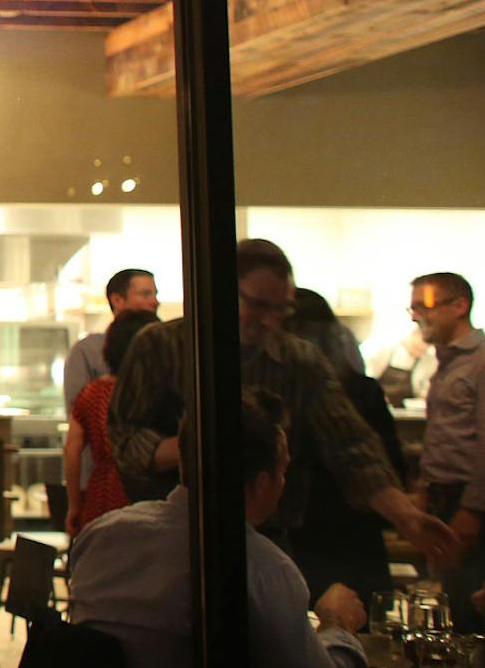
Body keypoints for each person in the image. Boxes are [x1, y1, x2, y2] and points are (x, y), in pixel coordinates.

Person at [106, 239, 455, 566]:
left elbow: (351, 445)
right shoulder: (160, 346)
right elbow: (124, 435)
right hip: (175, 532)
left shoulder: (299, 360)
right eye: (258, 306)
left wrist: (406, 516)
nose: (270, 320)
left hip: (268, 538)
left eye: (281, 309)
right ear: (222, 290)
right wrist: (200, 443)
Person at [68, 389, 370, 668]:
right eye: (283, 471)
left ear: (184, 459)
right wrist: (337, 622)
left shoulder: (100, 534)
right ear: (262, 483)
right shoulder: (262, 567)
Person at [407, 271, 485, 628]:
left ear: (460, 305)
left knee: (480, 612)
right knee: (454, 607)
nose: (417, 316)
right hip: (449, 500)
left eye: (425, 306)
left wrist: (472, 511)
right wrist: (425, 491)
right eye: (413, 308)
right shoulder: (448, 361)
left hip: (477, 507)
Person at [283, 288, 407, 603]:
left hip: (301, 529)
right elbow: (390, 460)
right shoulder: (362, 388)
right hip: (355, 527)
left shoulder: (282, 390)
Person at [64, 309, 156, 535]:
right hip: (146, 493)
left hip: (100, 494)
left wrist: (74, 505)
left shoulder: (92, 393)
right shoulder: (153, 392)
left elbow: (71, 450)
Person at [64, 267, 159, 417]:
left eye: (155, 294)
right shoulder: (88, 349)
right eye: (145, 294)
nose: (155, 302)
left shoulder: (164, 344)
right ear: (117, 300)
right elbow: (77, 412)